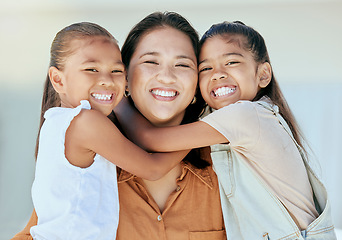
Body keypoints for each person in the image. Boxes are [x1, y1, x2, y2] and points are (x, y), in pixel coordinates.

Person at [11, 13, 227, 240]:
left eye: (182, 64)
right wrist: (210, 130)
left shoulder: (228, 164)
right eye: (150, 62)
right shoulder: (91, 159)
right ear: (128, 79)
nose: (166, 76)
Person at [115, 21, 337, 239]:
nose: (217, 74)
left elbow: (150, 140)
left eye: (231, 62)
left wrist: (116, 100)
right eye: (206, 67)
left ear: (263, 74)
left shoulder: (245, 117)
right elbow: (155, 161)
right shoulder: (230, 131)